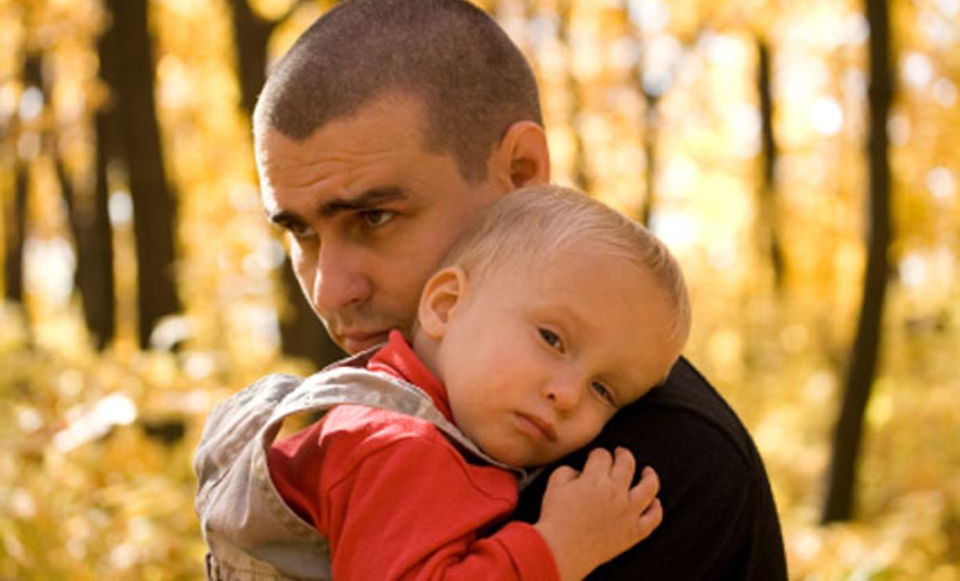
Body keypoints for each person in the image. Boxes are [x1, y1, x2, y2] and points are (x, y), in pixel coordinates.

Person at [219, 0, 787, 579]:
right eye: (301, 235)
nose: (331, 291)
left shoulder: (643, 469)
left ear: (521, 174)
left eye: (375, 217)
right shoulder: (383, 429)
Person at [196, 184, 692, 579]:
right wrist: (558, 548)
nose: (567, 395)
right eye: (552, 339)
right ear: (446, 305)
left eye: (604, 391)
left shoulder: (438, 440)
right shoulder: (396, 447)